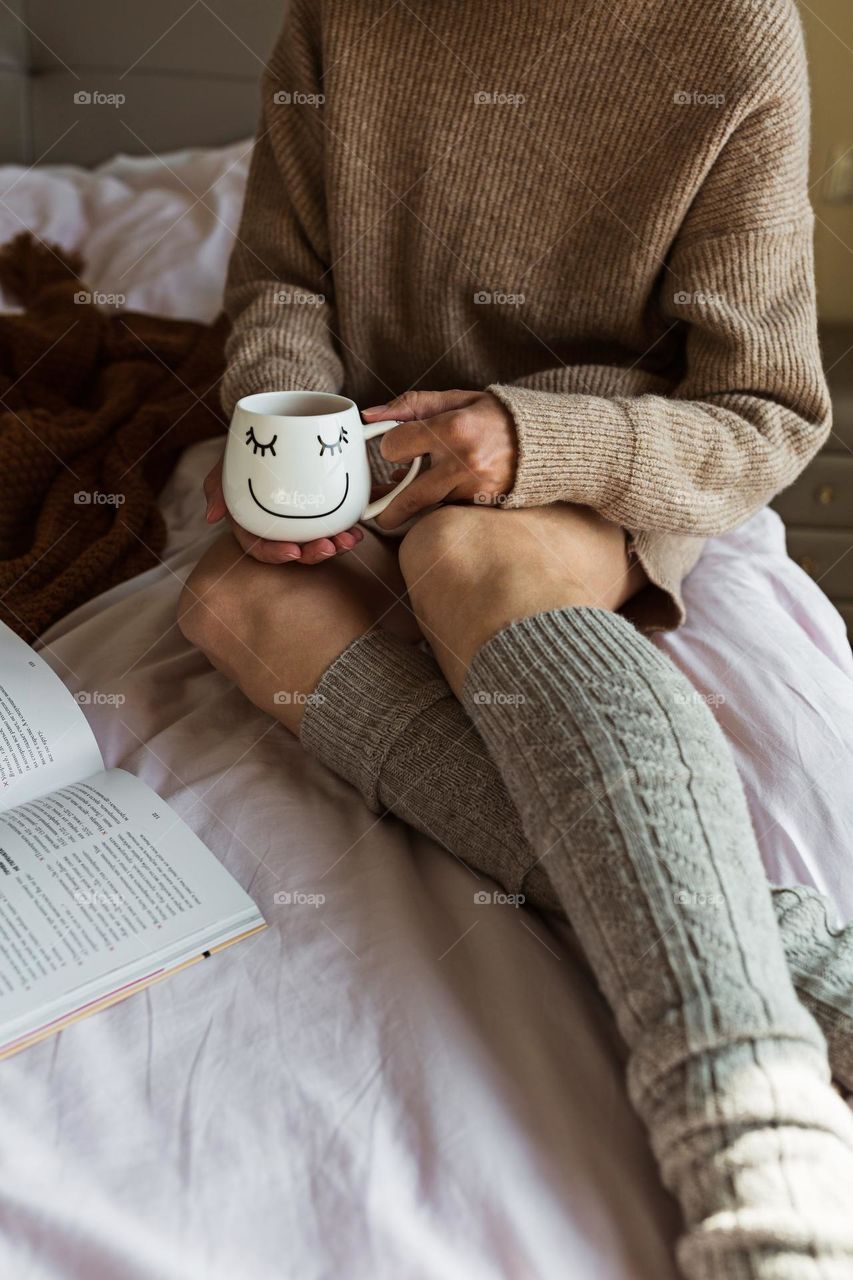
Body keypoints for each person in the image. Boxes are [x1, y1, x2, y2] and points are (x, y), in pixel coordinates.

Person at [178, 1, 853, 1274]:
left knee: (464, 552)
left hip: (598, 459)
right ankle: (812, 965)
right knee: (224, 601)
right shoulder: (343, 18)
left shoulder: (729, 33)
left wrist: (527, 441)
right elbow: (279, 280)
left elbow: (763, 412)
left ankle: (753, 1144)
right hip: (372, 454)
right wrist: (289, 429)